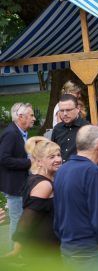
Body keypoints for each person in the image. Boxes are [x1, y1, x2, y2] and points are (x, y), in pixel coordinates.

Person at [53, 125, 98, 264]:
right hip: (88, 249)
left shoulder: (63, 169)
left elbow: (57, 212)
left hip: (67, 245)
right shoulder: (92, 171)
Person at [9, 137, 61, 254]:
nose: (58, 159)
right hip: (43, 249)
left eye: (58, 155)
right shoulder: (44, 185)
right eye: (51, 157)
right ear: (38, 161)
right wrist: (17, 250)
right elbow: (26, 220)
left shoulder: (36, 177)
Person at [0, 102, 34, 249]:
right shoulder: (11, 134)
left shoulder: (20, 132)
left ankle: (19, 250)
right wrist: (28, 162)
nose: (34, 118)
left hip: (19, 184)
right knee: (17, 219)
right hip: (14, 185)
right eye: (31, 115)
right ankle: (13, 252)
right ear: (21, 117)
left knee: (20, 218)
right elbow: (3, 158)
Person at [52, 94, 89, 161]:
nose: (65, 114)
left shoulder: (87, 128)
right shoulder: (57, 129)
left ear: (78, 109)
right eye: (62, 110)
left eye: (68, 110)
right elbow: (52, 152)